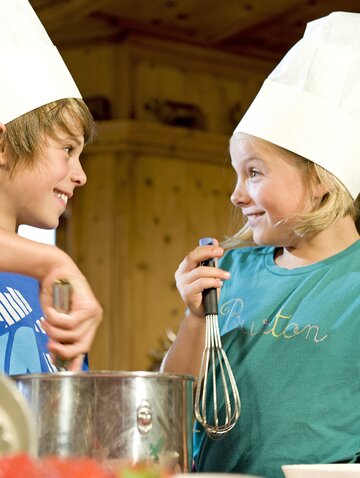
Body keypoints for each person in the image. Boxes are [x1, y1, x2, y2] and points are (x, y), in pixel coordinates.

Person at [162, 11, 360, 478]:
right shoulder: (232, 272)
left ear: (321, 184)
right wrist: (194, 317)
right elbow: (175, 402)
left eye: (253, 172)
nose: (235, 194)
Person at [0, 0, 102, 373]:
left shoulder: (47, 284)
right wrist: (53, 260)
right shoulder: (50, 268)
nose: (81, 175)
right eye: (67, 149)